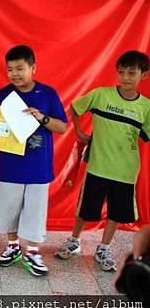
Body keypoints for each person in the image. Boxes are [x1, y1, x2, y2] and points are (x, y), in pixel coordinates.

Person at [56, 51, 149, 271]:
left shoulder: (146, 107)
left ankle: (104, 248)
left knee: (116, 212)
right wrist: (78, 130)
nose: (125, 77)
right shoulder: (101, 95)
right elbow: (76, 108)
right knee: (85, 208)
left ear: (144, 75)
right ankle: (74, 241)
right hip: (98, 166)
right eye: (121, 72)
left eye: (131, 73)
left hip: (126, 171)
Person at [0, 45, 67, 276]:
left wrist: (41, 118)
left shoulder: (47, 93)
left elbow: (62, 126)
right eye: (10, 69)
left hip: (38, 167)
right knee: (8, 208)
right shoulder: (3, 95)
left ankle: (33, 251)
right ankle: (13, 246)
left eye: (20, 68)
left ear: (33, 68)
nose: (15, 73)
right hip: (9, 165)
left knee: (35, 209)